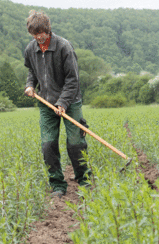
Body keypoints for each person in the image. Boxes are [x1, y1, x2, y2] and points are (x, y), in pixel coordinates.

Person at [24, 10, 91, 198]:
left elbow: (73, 79)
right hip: (46, 103)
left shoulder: (64, 47)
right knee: (48, 145)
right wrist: (30, 85)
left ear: (48, 29)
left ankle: (85, 181)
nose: (38, 37)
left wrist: (63, 102)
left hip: (71, 101)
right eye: (34, 34)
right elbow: (32, 71)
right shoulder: (31, 49)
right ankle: (57, 185)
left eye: (41, 33)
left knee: (76, 143)